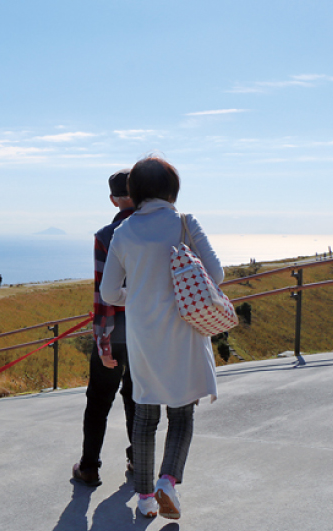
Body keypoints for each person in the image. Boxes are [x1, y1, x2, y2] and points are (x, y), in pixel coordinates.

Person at [100, 156, 222, 519]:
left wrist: (134, 295)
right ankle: (167, 480)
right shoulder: (185, 223)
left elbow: (109, 293)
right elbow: (215, 274)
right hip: (183, 331)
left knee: (144, 416)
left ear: (134, 192)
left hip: (142, 336)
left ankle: (144, 499)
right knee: (182, 413)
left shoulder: (122, 233)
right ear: (172, 190)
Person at [72, 169, 136, 488]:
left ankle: (89, 466)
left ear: (113, 199)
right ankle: (139, 458)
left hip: (116, 330)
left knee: (98, 400)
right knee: (137, 396)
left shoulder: (105, 235)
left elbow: (102, 296)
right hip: (147, 330)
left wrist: (103, 342)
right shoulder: (155, 231)